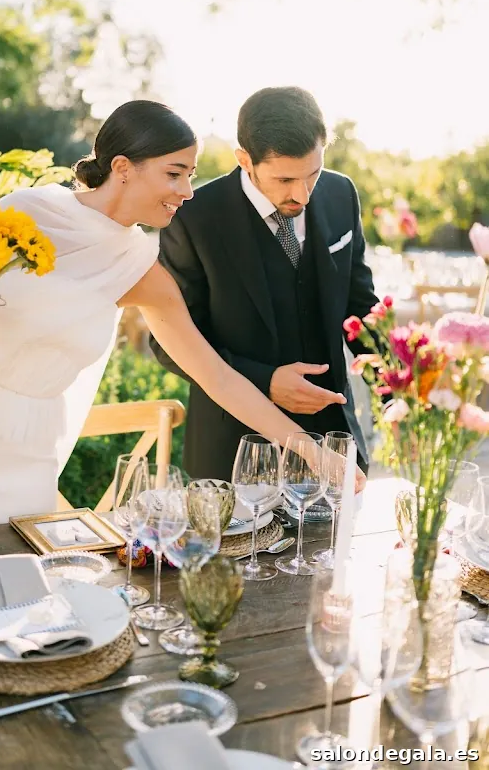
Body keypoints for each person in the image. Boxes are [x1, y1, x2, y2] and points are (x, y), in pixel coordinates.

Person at [0, 99, 345, 770]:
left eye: (190, 177)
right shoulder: (28, 212)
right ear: (122, 167)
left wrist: (306, 451)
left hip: (24, 467)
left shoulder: (137, 264)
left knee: (3, 639)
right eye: (175, 174)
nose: (187, 192)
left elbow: (215, 375)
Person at [151, 87, 379, 480]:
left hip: (335, 442)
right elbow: (170, 344)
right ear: (245, 160)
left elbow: (361, 308)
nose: (302, 194)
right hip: (233, 452)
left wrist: (397, 393)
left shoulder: (341, 194)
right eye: (285, 179)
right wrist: (266, 382)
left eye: (313, 174)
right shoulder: (193, 218)